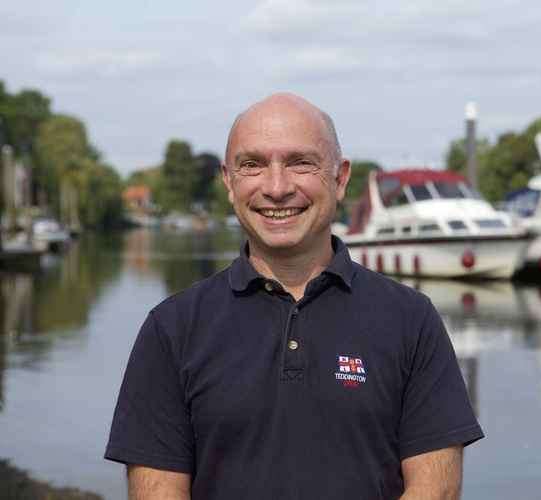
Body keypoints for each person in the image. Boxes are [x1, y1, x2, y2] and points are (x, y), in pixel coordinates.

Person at [105, 93, 483, 499]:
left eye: (300, 163)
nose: (277, 187)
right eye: (252, 165)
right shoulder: (172, 329)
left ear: (340, 178)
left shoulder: (411, 320)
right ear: (229, 182)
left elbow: (437, 489)